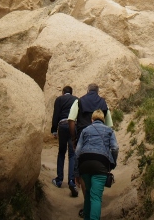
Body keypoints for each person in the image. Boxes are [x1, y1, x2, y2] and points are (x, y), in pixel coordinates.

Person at [68, 83, 113, 217]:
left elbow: (71, 120)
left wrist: (74, 138)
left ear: (87, 91)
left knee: (84, 174)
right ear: (98, 91)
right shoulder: (103, 103)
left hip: (84, 139)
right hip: (100, 143)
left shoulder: (79, 101)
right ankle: (93, 206)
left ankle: (86, 204)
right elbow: (109, 125)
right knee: (97, 179)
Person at [75, 109, 119, 220]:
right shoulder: (109, 131)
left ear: (92, 120)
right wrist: (112, 163)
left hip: (85, 163)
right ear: (103, 120)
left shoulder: (85, 130)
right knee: (96, 197)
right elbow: (115, 148)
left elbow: (78, 151)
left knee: (88, 193)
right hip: (100, 164)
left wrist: (76, 172)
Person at [50, 85, 79, 197]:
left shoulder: (59, 99)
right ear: (71, 92)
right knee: (72, 153)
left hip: (62, 125)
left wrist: (54, 130)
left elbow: (56, 115)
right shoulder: (76, 99)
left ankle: (59, 180)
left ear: (63, 92)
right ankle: (71, 180)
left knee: (61, 152)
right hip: (73, 126)